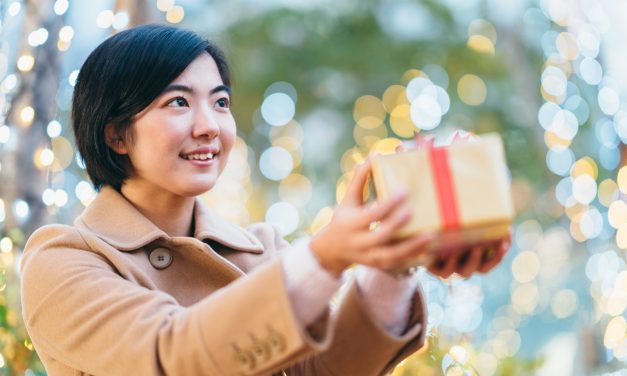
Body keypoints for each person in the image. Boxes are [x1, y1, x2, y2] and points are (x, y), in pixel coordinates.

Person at [20, 24, 510, 375]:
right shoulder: (65, 259)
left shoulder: (259, 247)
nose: (209, 125)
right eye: (178, 102)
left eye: (220, 101)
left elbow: (325, 372)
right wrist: (324, 256)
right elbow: (172, 356)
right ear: (117, 135)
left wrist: (391, 261)